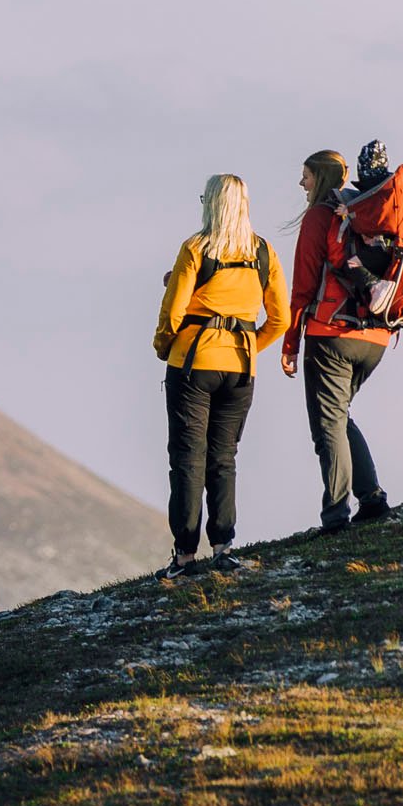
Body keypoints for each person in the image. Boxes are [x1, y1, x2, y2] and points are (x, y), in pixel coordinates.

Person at [152, 174, 289, 579]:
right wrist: (248, 347)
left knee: (187, 459)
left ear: (211, 203)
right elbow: (280, 318)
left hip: (192, 364)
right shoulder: (263, 252)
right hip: (240, 369)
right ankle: (224, 546)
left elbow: (173, 311)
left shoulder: (196, 248)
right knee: (224, 458)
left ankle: (185, 556)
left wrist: (164, 347)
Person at [281, 148, 394, 532]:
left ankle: (335, 516)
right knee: (340, 416)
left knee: (327, 425)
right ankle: (372, 499)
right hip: (376, 336)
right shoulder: (363, 214)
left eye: (306, 176)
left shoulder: (320, 217)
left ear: (322, 178)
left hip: (331, 334)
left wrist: (291, 342)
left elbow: (303, 285)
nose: (302, 183)